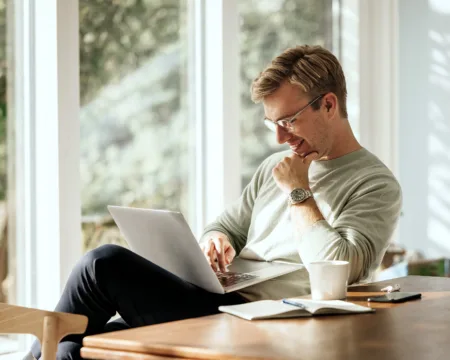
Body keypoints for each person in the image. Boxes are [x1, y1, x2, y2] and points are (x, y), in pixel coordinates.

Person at [28, 45, 402, 360]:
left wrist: (298, 192)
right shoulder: (275, 166)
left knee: (102, 263)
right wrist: (215, 240)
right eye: (271, 123)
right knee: (77, 348)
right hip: (215, 298)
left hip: (265, 319)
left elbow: (345, 268)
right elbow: (227, 226)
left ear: (329, 105)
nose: (278, 138)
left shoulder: (375, 184)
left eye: (288, 121)